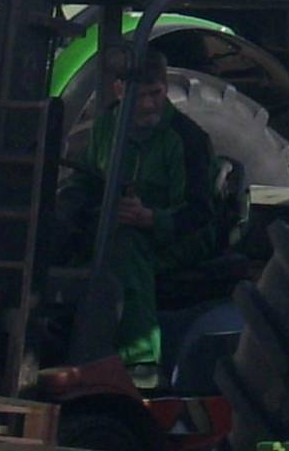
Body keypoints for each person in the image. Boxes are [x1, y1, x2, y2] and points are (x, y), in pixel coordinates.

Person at [68, 43, 216, 388]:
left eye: (156, 93)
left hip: (179, 236)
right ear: (119, 89)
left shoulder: (187, 139)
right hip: (118, 225)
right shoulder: (106, 128)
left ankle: (141, 366)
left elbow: (200, 214)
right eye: (140, 95)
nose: (149, 104)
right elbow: (86, 178)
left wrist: (151, 218)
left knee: (124, 245)